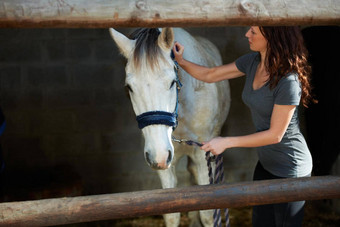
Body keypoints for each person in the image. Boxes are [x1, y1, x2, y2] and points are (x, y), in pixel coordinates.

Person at [172, 26, 316, 227]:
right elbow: (211, 74)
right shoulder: (251, 62)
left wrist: (226, 142)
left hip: (291, 168)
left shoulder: (288, 81)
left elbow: (275, 135)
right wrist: (181, 61)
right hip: (266, 164)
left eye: (254, 32)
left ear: (272, 36)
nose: (247, 34)